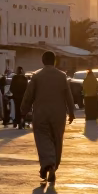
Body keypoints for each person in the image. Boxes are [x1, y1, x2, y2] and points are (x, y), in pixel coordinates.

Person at [21, 51, 76, 183]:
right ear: (55, 61)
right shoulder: (62, 76)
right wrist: (72, 112)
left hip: (41, 113)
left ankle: (48, 164)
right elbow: (68, 96)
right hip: (59, 114)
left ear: (43, 61)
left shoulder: (37, 76)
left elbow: (29, 95)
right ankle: (53, 166)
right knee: (57, 140)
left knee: (43, 139)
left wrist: (23, 110)